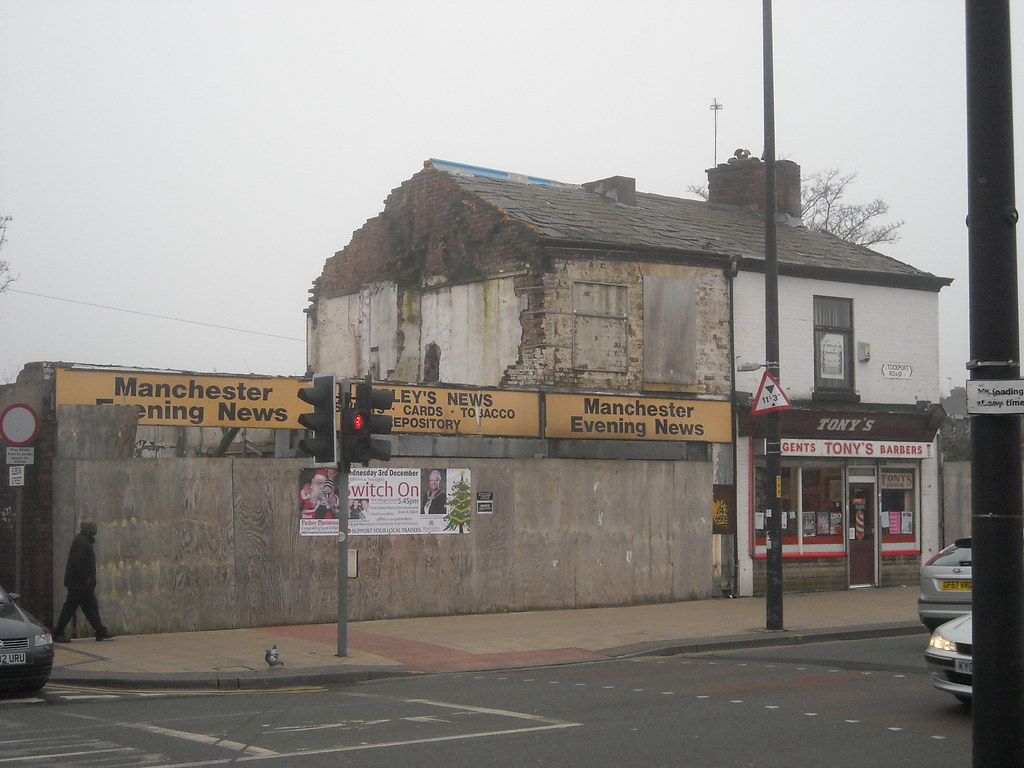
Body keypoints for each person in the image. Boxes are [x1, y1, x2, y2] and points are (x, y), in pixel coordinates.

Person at [51, 518, 114, 642]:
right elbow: (77, 563)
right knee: (71, 607)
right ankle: (57, 632)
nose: (96, 528)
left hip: (82, 584)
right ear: (89, 529)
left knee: (91, 607)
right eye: (94, 526)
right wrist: (87, 578)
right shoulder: (82, 543)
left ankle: (100, 631)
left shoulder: (84, 541)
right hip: (79, 584)